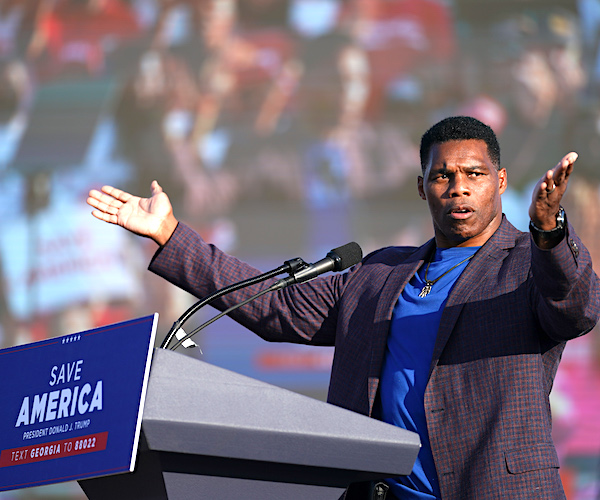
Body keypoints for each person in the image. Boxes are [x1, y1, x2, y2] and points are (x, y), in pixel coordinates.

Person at [87, 116, 600, 499]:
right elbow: (276, 306)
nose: (459, 187)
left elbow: (575, 309)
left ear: (501, 180)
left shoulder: (527, 264)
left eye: (475, 174)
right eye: (443, 176)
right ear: (422, 187)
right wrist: (171, 236)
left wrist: (550, 231)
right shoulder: (380, 274)